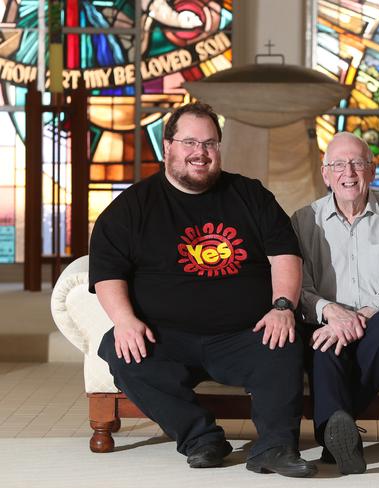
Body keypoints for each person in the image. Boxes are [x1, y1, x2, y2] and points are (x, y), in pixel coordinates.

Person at [89, 102, 316, 478]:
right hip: (165, 337)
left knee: (285, 337)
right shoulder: (132, 206)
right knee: (118, 345)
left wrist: (281, 306)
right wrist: (126, 320)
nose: (200, 152)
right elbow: (107, 272)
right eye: (190, 142)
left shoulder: (250, 195)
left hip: (246, 334)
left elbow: (285, 255)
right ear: (168, 147)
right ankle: (201, 439)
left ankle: (275, 447)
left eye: (210, 143)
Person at [291, 132, 379, 475]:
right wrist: (330, 312)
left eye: (357, 163)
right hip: (326, 318)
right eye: (338, 164)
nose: (348, 172)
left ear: (372, 169)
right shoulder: (305, 220)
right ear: (325, 174)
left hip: (377, 316)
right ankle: (339, 433)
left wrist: (360, 316)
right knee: (324, 347)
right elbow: (299, 286)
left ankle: (333, 431)